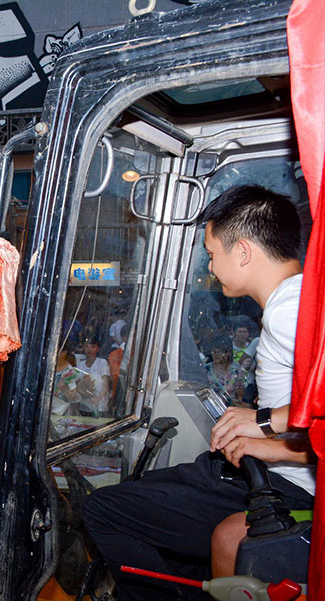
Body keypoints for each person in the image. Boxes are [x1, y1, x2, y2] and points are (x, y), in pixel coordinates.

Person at [83, 185, 315, 600]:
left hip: (285, 485)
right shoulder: (296, 300)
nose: (210, 266)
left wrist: (263, 423)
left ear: (242, 252)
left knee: (103, 510)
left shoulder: (289, 311)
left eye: (212, 254)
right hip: (277, 469)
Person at [74, 336, 110, 416]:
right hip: (84, 406)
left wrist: (97, 399)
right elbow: (78, 385)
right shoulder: (80, 365)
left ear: (98, 349)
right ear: (83, 348)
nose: (89, 349)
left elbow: (105, 387)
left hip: (100, 407)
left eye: (93, 347)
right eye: (87, 346)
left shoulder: (102, 363)